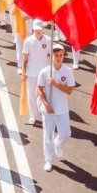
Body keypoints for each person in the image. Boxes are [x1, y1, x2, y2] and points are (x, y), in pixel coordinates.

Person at [37, 44, 74, 172]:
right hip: (48, 109)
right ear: (51, 56)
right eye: (56, 55)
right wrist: (46, 105)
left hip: (62, 107)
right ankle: (48, 159)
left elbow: (69, 90)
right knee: (48, 135)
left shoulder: (68, 71)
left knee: (66, 133)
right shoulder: (44, 71)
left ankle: (57, 143)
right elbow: (39, 89)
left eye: (61, 55)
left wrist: (55, 84)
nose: (58, 58)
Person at [21, 19, 51, 125]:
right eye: (36, 29)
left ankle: (41, 110)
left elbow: (52, 56)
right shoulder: (28, 41)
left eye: (40, 29)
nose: (38, 31)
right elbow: (24, 59)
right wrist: (24, 72)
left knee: (42, 94)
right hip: (31, 72)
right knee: (31, 95)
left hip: (44, 72)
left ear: (43, 28)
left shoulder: (48, 40)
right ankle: (32, 116)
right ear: (33, 29)